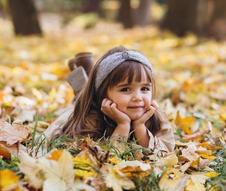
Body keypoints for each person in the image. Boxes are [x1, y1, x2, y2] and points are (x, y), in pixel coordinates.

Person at [45, 46, 175, 152]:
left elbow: (166, 152)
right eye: (125, 89)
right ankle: (83, 88)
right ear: (103, 95)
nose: (138, 98)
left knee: (84, 91)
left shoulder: (155, 115)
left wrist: (140, 127)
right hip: (84, 106)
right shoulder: (88, 118)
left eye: (145, 89)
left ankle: (86, 76)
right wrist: (123, 126)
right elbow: (104, 158)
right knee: (80, 99)